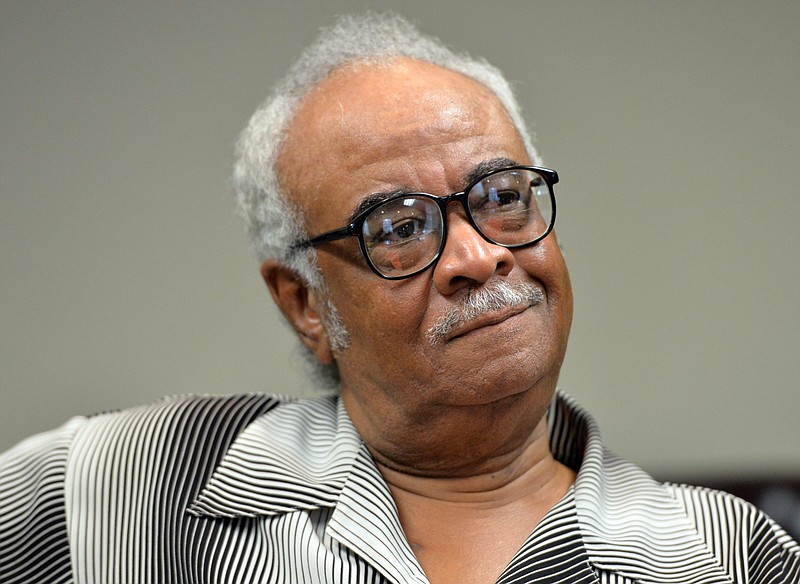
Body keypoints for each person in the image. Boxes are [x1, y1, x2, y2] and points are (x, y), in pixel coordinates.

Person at [0, 12, 797, 584]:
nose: (480, 257)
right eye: (401, 226)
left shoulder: (723, 557)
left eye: (503, 195)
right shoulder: (123, 484)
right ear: (305, 304)